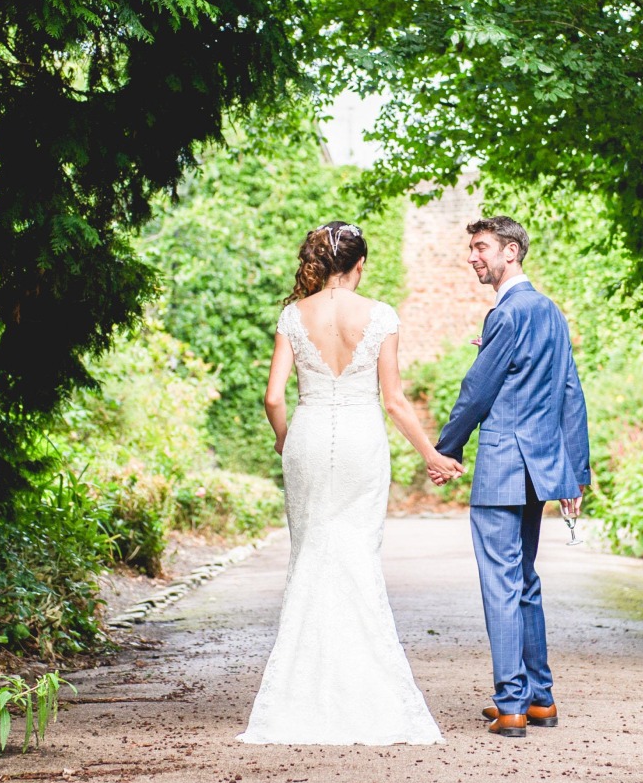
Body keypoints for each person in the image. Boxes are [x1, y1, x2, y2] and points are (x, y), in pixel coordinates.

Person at [239, 221, 450, 745]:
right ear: (359, 266)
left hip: (308, 438)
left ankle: (298, 695)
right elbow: (395, 401)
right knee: (356, 554)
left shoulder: (294, 314)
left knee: (311, 553)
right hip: (360, 440)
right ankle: (368, 692)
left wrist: (286, 440)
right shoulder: (380, 315)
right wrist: (432, 456)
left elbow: (272, 398)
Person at [432, 216, 592, 739]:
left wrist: (445, 448)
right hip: (543, 465)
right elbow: (571, 392)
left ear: (512, 252)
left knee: (501, 582)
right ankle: (540, 699)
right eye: (473, 248)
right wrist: (576, 471)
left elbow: (477, 389)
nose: (474, 257)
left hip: (503, 465)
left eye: (482, 248)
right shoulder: (550, 312)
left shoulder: (507, 313)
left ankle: (511, 706)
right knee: (524, 580)